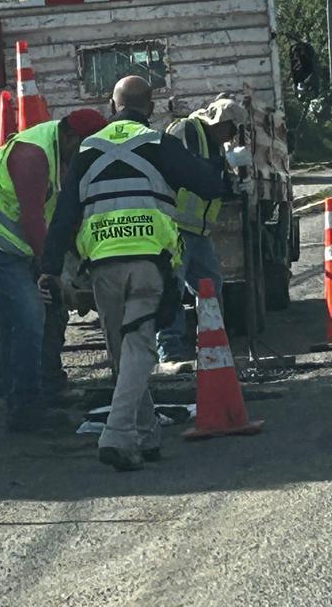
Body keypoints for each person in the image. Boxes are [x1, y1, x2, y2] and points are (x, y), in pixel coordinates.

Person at [38, 76, 237, 471]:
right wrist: (224, 169)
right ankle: (117, 433)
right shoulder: (159, 143)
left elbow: (63, 215)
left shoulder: (87, 151)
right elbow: (210, 185)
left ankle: (145, 436)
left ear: (112, 107)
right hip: (150, 259)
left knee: (123, 352)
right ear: (151, 107)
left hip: (102, 264)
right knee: (138, 349)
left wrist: (50, 269)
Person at [0, 108, 109, 433]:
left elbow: (65, 216)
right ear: (70, 137)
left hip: (19, 245)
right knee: (29, 316)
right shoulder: (31, 155)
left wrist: (80, 261)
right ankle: (25, 409)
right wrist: (53, 271)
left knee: (44, 309)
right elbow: (32, 219)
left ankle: (24, 379)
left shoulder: (70, 153)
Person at [155, 97, 251, 367]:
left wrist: (234, 184)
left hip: (198, 230)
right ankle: (169, 351)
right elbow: (192, 170)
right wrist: (226, 164)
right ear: (219, 122)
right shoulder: (187, 130)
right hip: (176, 227)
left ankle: (212, 339)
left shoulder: (215, 144)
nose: (232, 135)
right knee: (172, 289)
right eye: (231, 128)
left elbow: (214, 183)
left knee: (210, 286)